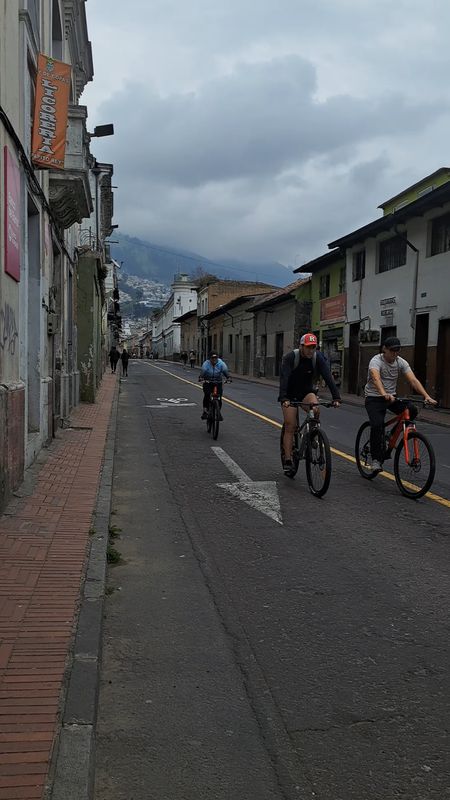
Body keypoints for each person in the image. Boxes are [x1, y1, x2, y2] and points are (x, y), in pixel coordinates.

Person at [364, 336, 437, 473]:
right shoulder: (376, 361)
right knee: (377, 425)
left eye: (397, 351)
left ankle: (391, 436)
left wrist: (426, 396)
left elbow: (413, 380)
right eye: (392, 351)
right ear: (384, 349)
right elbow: (375, 378)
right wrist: (383, 393)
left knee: (412, 410)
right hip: (374, 398)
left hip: (391, 397)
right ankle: (375, 459)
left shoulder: (400, 362)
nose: (395, 354)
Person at [279, 333, 341, 476]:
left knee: (316, 408)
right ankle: (288, 459)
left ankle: (313, 435)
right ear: (301, 346)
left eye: (313, 347)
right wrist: (284, 398)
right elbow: (284, 378)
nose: (310, 351)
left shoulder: (317, 357)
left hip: (306, 392)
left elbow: (327, 376)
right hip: (290, 394)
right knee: (290, 425)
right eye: (308, 347)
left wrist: (336, 397)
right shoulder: (290, 358)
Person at [199, 351, 230, 421]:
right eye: (212, 358)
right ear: (209, 358)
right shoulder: (206, 364)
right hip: (208, 381)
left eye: (215, 358)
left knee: (219, 397)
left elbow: (225, 371)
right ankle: (205, 411)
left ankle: (218, 412)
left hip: (218, 381)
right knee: (207, 395)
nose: (214, 360)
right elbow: (203, 372)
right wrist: (201, 378)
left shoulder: (221, 363)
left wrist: (228, 377)